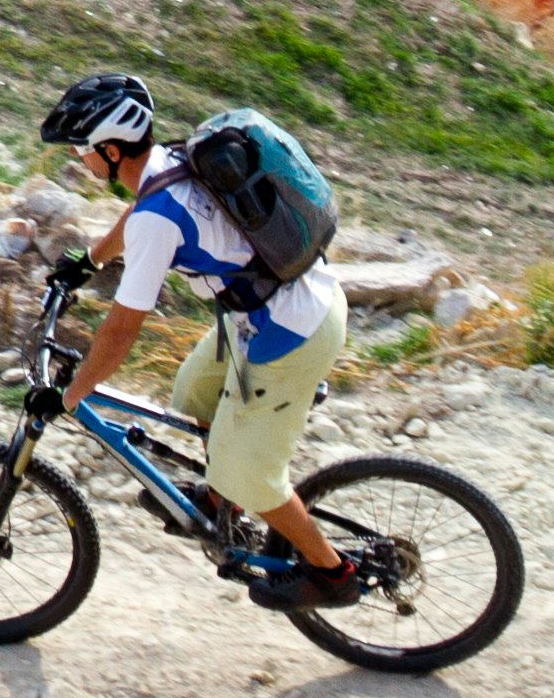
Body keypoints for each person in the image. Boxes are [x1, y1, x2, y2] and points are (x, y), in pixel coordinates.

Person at [33, 70, 352, 611]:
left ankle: (332, 573)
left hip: (292, 333)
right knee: (193, 393)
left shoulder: (158, 221)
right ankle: (222, 497)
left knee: (251, 475)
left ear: (111, 150)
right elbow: (135, 214)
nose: (81, 160)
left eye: (84, 150)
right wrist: (87, 261)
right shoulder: (165, 165)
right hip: (267, 311)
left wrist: (69, 396)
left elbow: (119, 332)